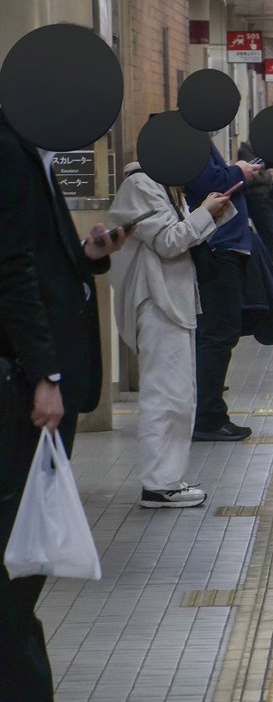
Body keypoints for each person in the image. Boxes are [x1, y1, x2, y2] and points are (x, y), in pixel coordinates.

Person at [0, 110, 131, 699]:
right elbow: (13, 271)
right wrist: (44, 375)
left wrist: (88, 254)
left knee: (21, 561)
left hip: (33, 384)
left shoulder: (30, 151)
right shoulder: (10, 151)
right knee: (13, 568)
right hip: (21, 392)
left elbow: (38, 262)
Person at [108, 161, 233, 507]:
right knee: (165, 395)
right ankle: (159, 484)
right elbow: (167, 242)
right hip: (157, 302)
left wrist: (212, 212)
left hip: (172, 301)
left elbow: (183, 236)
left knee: (178, 395)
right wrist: (205, 211)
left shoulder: (165, 181)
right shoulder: (142, 184)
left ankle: (167, 480)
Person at [184, 143, 261, 442]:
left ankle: (208, 413)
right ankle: (208, 417)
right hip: (218, 249)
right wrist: (237, 171)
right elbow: (208, 183)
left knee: (218, 333)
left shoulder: (195, 136)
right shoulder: (189, 138)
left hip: (223, 247)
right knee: (218, 333)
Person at [236, 142, 273, 276]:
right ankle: (266, 269)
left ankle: (267, 267)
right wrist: (268, 176)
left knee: (268, 233)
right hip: (256, 198)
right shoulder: (246, 153)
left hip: (260, 197)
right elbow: (253, 176)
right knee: (268, 233)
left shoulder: (253, 153)